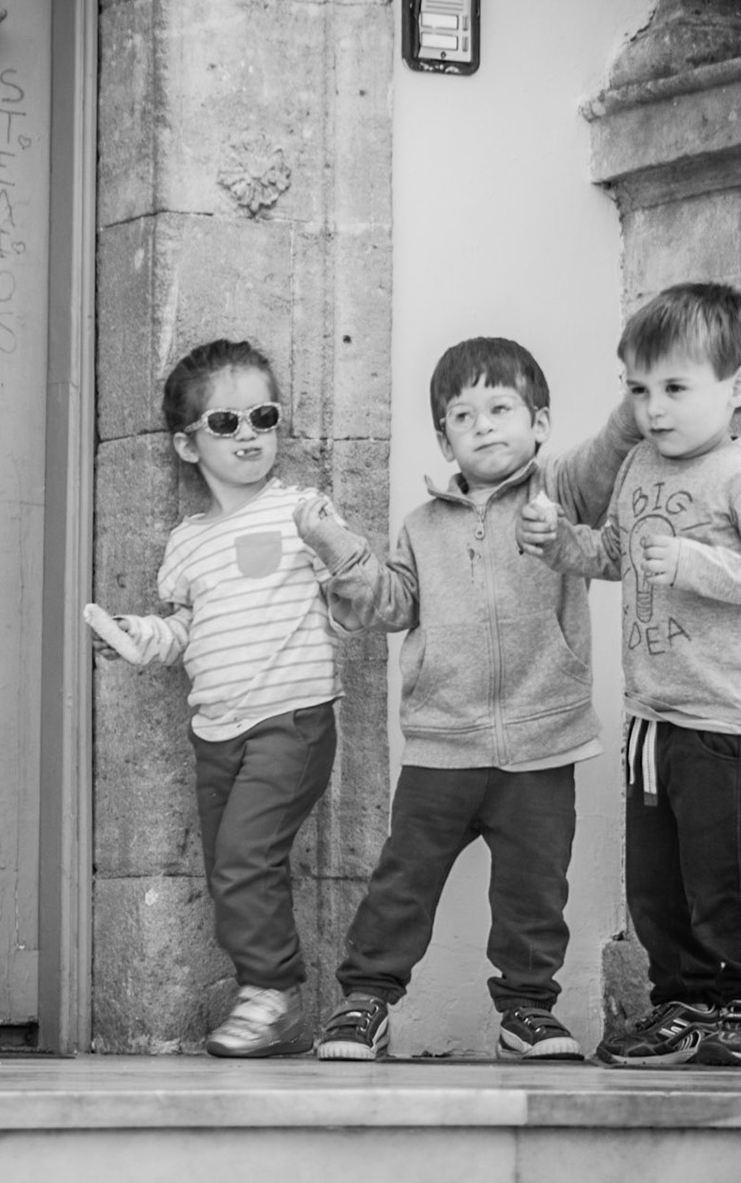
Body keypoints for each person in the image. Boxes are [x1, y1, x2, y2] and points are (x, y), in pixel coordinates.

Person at [292, 336, 640, 1061]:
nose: (483, 424)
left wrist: (640, 400)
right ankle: (366, 1001)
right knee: (403, 884)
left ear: (538, 424)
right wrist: (338, 548)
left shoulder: (562, 494)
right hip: (441, 747)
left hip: (542, 742)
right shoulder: (422, 528)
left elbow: (609, 451)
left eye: (500, 407)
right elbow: (387, 606)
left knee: (534, 891)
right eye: (462, 414)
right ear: (445, 437)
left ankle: (526, 1013)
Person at [519, 282, 741, 1067]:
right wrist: (559, 542)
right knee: (656, 880)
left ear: (736, 388)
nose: (655, 408)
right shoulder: (643, 463)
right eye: (640, 389)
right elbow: (611, 553)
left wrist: (691, 560)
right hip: (652, 715)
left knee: (724, 876)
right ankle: (682, 1004)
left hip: (724, 718)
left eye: (676, 388)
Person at [93, 339, 344, 1059]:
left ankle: (271, 997)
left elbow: (355, 589)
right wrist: (140, 637)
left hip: (291, 719)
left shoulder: (301, 510)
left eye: (263, 417)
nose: (249, 435)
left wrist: (341, 555)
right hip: (217, 731)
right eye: (225, 423)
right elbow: (184, 627)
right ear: (185, 444)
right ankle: (265, 994)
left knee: (243, 856)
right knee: (229, 866)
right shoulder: (189, 540)